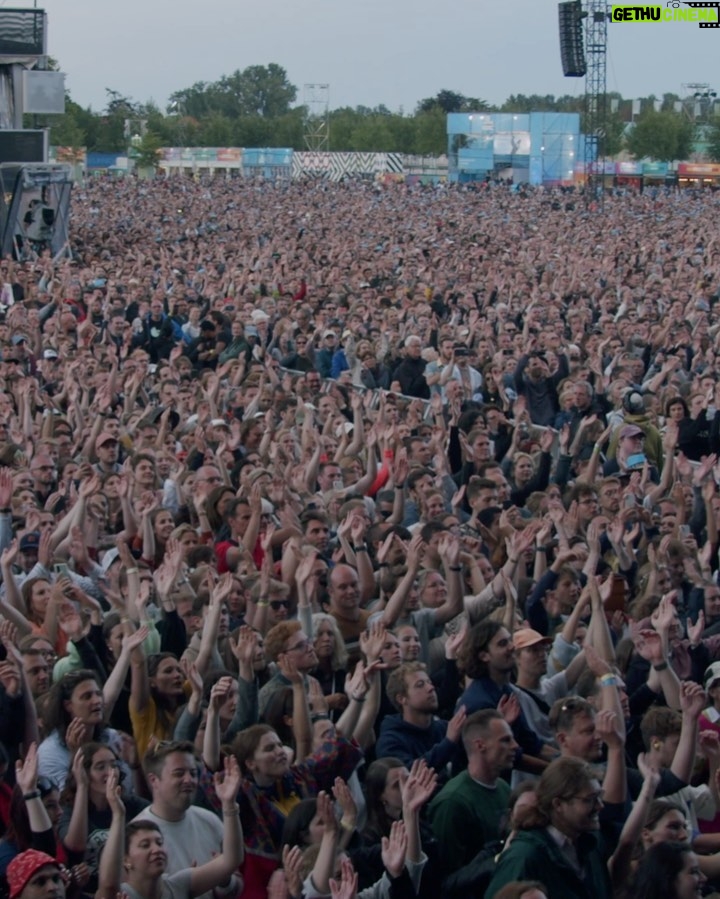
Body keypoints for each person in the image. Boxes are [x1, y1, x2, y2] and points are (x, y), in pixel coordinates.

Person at [97, 762, 243, 899]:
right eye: (145, 845)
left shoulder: (178, 885)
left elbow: (231, 860)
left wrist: (229, 804)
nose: (156, 849)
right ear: (126, 860)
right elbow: (108, 884)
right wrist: (118, 815)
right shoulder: (122, 894)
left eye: (159, 843)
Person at [486, 757, 614, 899]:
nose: (600, 806)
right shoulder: (523, 857)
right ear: (558, 804)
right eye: (589, 799)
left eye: (599, 796)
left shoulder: (591, 846)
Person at [428, 710, 517, 872]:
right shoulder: (452, 802)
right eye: (505, 740)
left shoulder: (503, 788)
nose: (515, 746)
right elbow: (450, 876)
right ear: (480, 745)